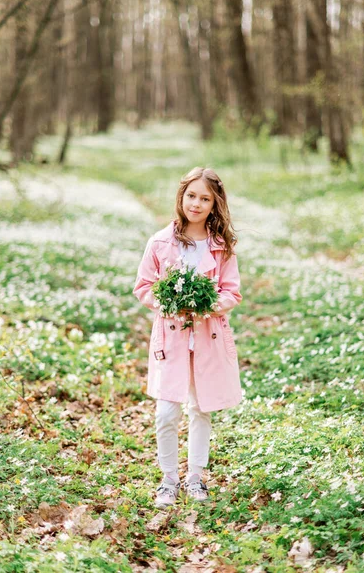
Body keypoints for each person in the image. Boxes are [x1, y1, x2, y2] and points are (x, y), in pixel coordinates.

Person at [133, 167, 242, 508]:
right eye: (191, 195)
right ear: (181, 198)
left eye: (205, 198)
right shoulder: (160, 242)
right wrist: (167, 303)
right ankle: (168, 480)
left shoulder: (221, 247)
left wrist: (208, 305)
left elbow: (232, 292)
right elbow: (143, 287)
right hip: (171, 338)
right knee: (166, 412)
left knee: (200, 409)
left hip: (207, 338)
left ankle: (196, 477)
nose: (196, 203)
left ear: (214, 204)